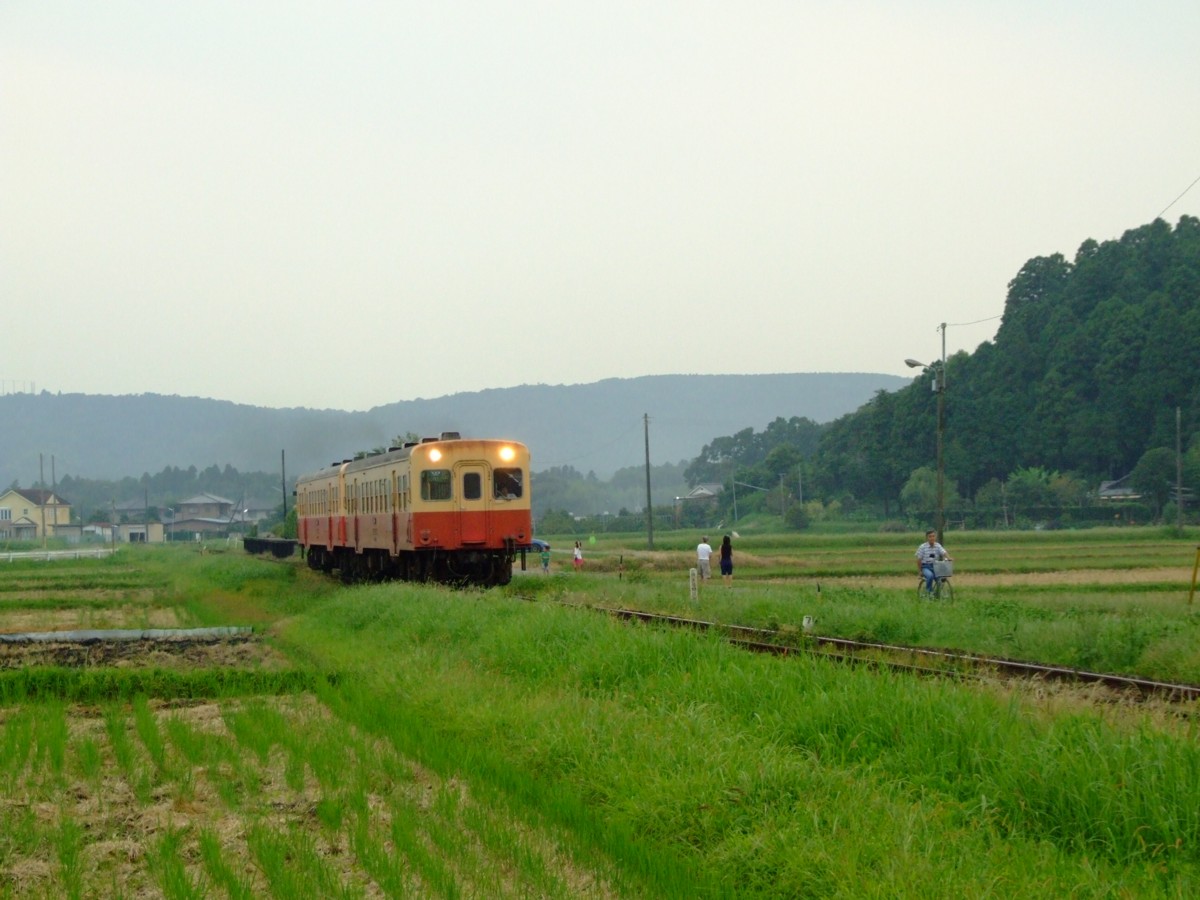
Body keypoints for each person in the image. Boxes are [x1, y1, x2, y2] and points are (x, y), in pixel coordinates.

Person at [915, 529, 951, 595]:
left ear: (935, 537)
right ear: (927, 538)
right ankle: (929, 592)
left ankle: (938, 593)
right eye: (930, 536)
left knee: (941, 578)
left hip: (935, 566)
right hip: (925, 567)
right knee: (930, 576)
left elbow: (943, 552)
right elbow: (919, 559)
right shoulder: (922, 547)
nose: (932, 538)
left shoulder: (937, 545)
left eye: (933, 536)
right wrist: (920, 571)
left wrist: (949, 558)